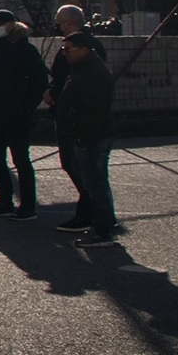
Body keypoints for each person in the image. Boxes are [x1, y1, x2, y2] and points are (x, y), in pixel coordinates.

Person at [0, 8, 48, 218]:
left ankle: (28, 205)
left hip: (17, 114)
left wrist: (27, 106)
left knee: (20, 159)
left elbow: (40, 80)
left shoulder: (24, 49)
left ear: (11, 25)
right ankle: (4, 201)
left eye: (0, 24)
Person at [46, 4, 108, 233]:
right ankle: (88, 211)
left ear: (70, 22)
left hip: (76, 118)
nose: (58, 26)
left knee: (84, 168)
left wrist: (58, 95)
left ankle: (93, 215)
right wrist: (53, 90)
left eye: (60, 22)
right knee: (72, 165)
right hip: (65, 113)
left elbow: (81, 83)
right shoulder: (71, 46)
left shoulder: (87, 47)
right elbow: (61, 75)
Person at [54, 31, 120, 248]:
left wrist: (82, 136)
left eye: (68, 49)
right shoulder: (83, 67)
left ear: (83, 49)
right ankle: (100, 225)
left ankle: (103, 230)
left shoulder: (93, 71)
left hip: (94, 135)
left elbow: (95, 109)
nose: (65, 54)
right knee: (92, 181)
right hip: (88, 134)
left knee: (96, 181)